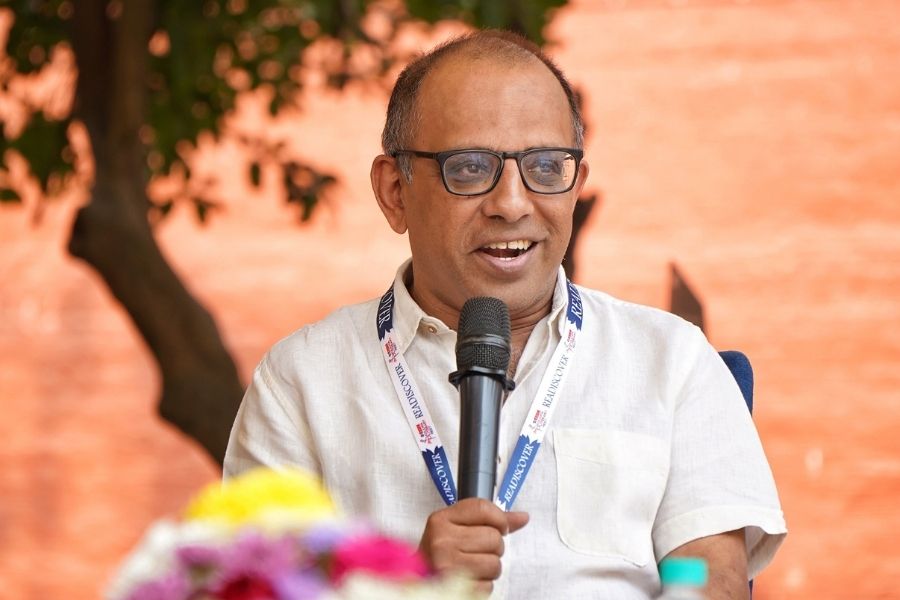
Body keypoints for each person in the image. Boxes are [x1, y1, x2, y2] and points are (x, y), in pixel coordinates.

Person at [224, 30, 786, 599]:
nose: (513, 204)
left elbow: (711, 585)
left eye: (545, 168)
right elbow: (255, 590)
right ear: (395, 191)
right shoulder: (301, 380)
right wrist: (404, 588)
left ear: (576, 187)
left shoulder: (672, 360)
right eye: (469, 169)